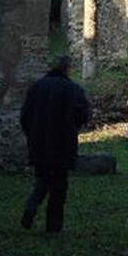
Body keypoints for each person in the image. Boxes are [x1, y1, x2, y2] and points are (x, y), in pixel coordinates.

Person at [20, 55, 91, 233]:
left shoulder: (36, 87)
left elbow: (24, 116)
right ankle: (53, 226)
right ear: (67, 69)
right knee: (59, 186)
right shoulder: (72, 89)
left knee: (42, 178)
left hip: (39, 143)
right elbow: (83, 114)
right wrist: (73, 125)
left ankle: (31, 205)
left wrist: (32, 134)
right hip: (62, 144)